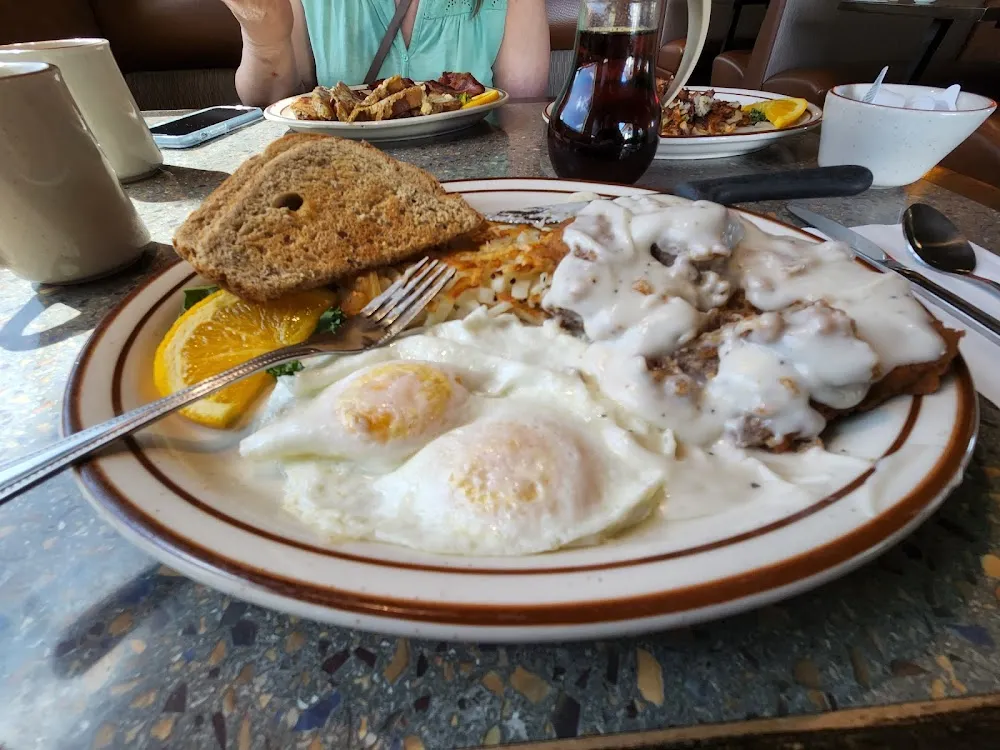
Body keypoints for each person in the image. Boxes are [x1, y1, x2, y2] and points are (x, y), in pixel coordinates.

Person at [220, 0, 551, 107]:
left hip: (475, 189)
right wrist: (264, 36)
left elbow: (521, 122)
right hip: (341, 193)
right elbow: (270, 101)